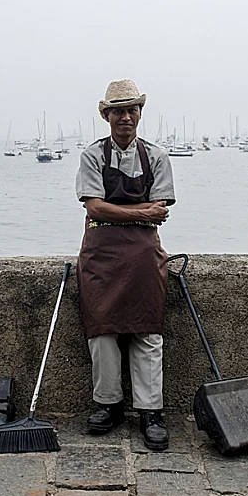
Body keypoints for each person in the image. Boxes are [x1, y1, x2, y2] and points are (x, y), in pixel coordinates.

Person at [75, 79, 176, 451]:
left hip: (143, 254)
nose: (125, 117)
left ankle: (151, 411)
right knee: (102, 332)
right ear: (106, 115)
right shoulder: (92, 156)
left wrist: (125, 213)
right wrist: (140, 212)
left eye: (131, 109)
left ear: (140, 114)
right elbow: (93, 207)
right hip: (101, 254)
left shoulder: (157, 156)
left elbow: (160, 211)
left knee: (148, 331)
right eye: (118, 110)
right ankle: (108, 403)